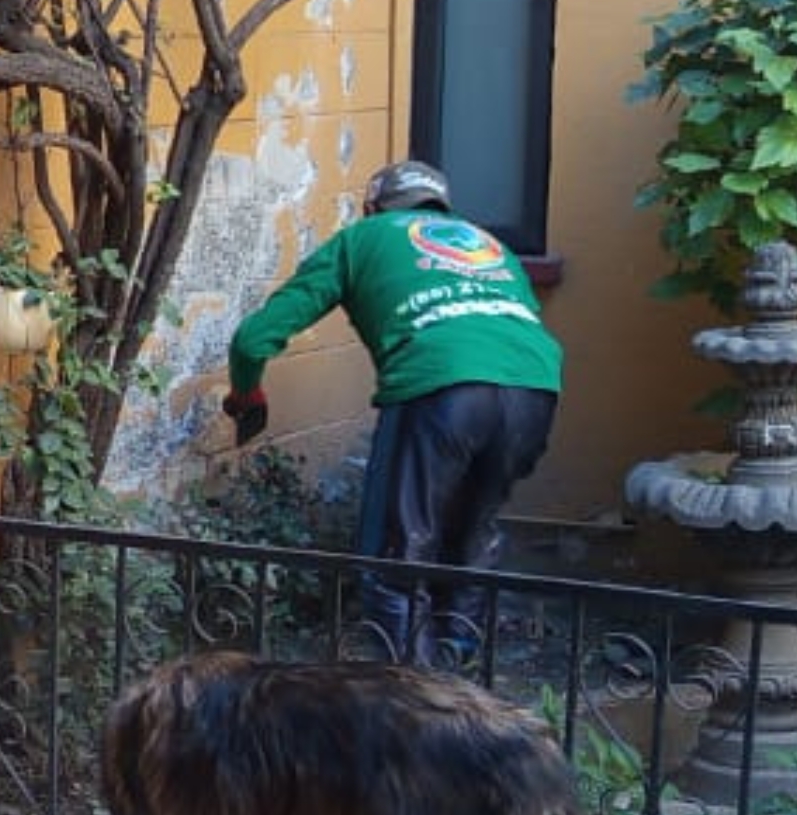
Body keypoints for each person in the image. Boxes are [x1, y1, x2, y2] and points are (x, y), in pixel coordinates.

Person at [223, 159, 562, 665]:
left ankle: (410, 694)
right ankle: (461, 676)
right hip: (534, 390)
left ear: (371, 207)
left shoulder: (362, 238)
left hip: (442, 387)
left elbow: (253, 340)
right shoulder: (491, 246)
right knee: (470, 533)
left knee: (396, 558)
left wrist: (247, 395)